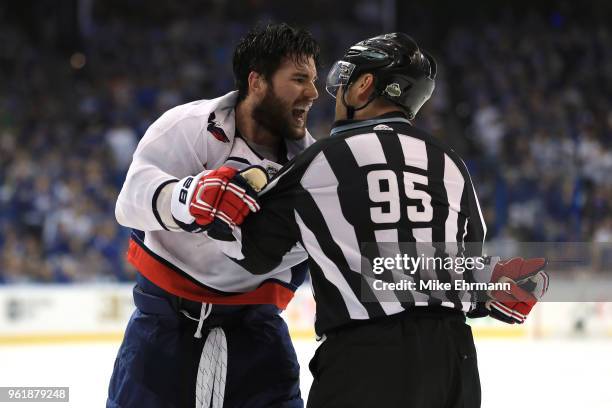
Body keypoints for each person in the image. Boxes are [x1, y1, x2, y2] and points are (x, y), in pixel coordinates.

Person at [186, 33, 549, 407]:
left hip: (364, 361)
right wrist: (492, 290)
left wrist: (226, 202)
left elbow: (252, 253)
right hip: (453, 360)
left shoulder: (318, 161)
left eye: (345, 80)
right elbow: (462, 266)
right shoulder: (451, 164)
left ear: (363, 86)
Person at [108, 23, 320, 408]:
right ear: (257, 82)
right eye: (300, 79)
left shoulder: (314, 170)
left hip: (258, 342)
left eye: (313, 80)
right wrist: (188, 198)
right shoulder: (186, 126)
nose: (313, 93)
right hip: (160, 334)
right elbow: (129, 203)